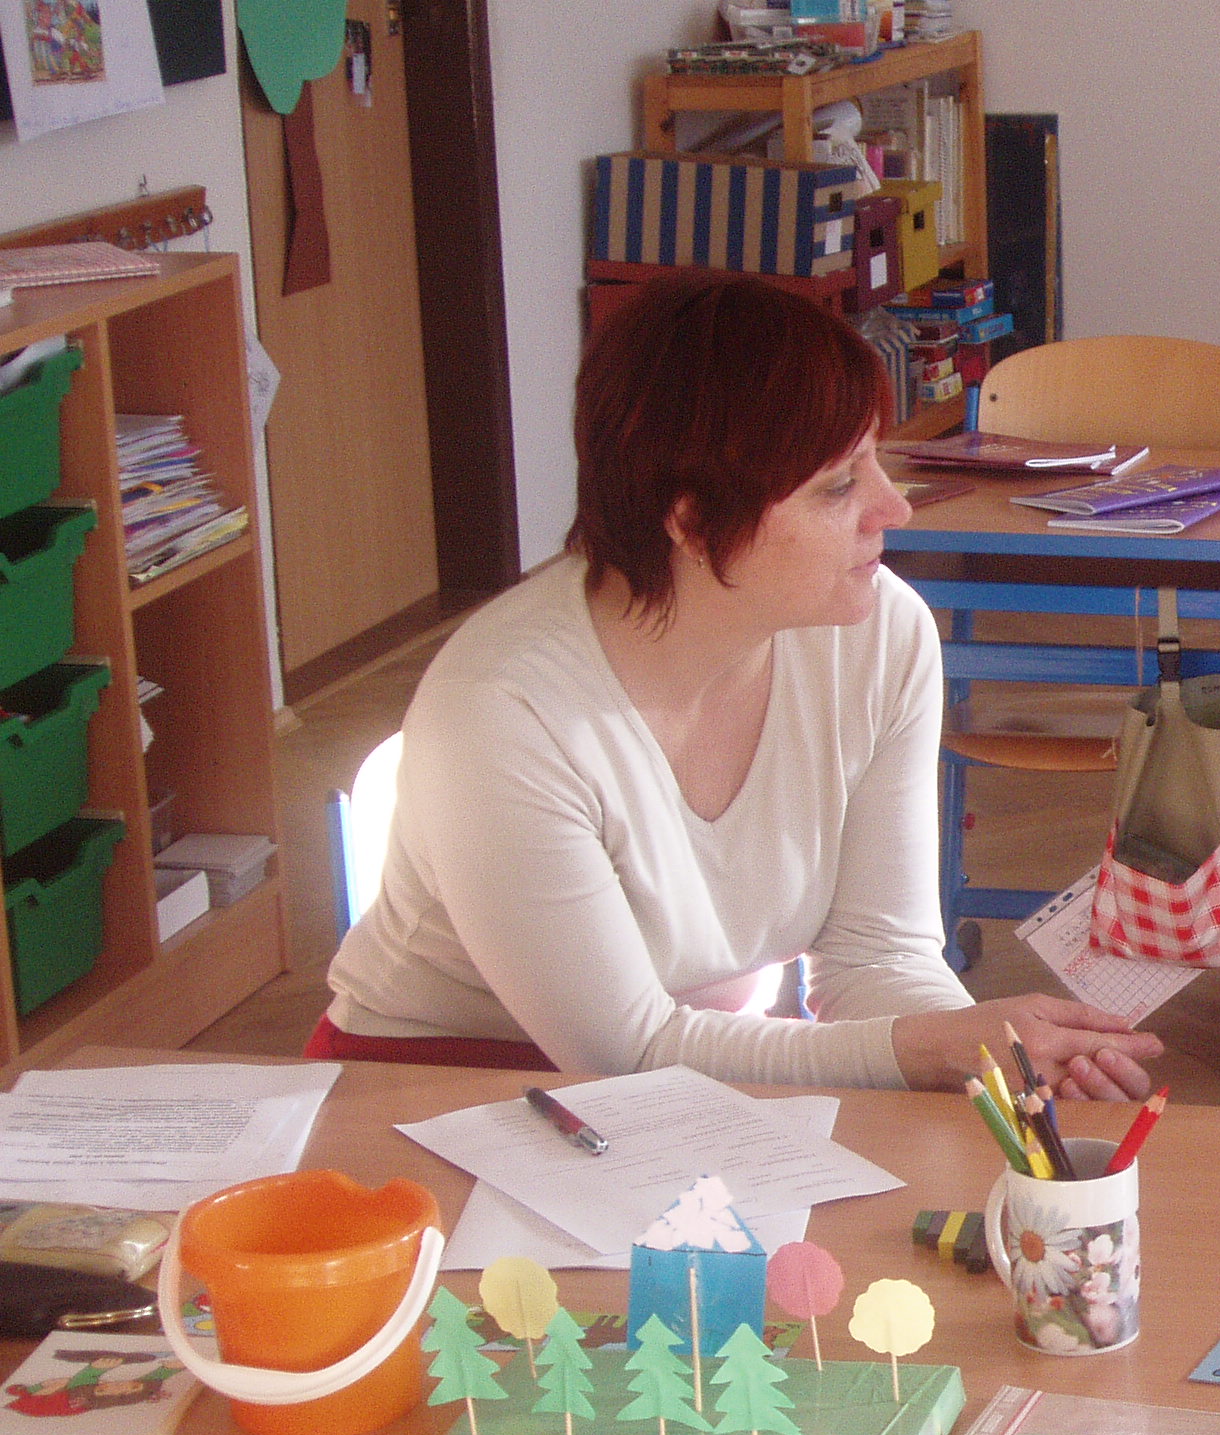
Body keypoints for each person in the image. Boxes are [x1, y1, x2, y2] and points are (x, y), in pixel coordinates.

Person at [316, 275, 1160, 1097]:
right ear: (692, 522)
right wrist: (932, 1051)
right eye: (839, 485)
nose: (894, 508)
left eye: (874, 462)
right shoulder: (502, 711)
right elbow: (623, 1053)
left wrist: (987, 1070)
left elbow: (877, 957)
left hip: (711, 1066)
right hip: (432, 1088)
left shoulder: (879, 634)